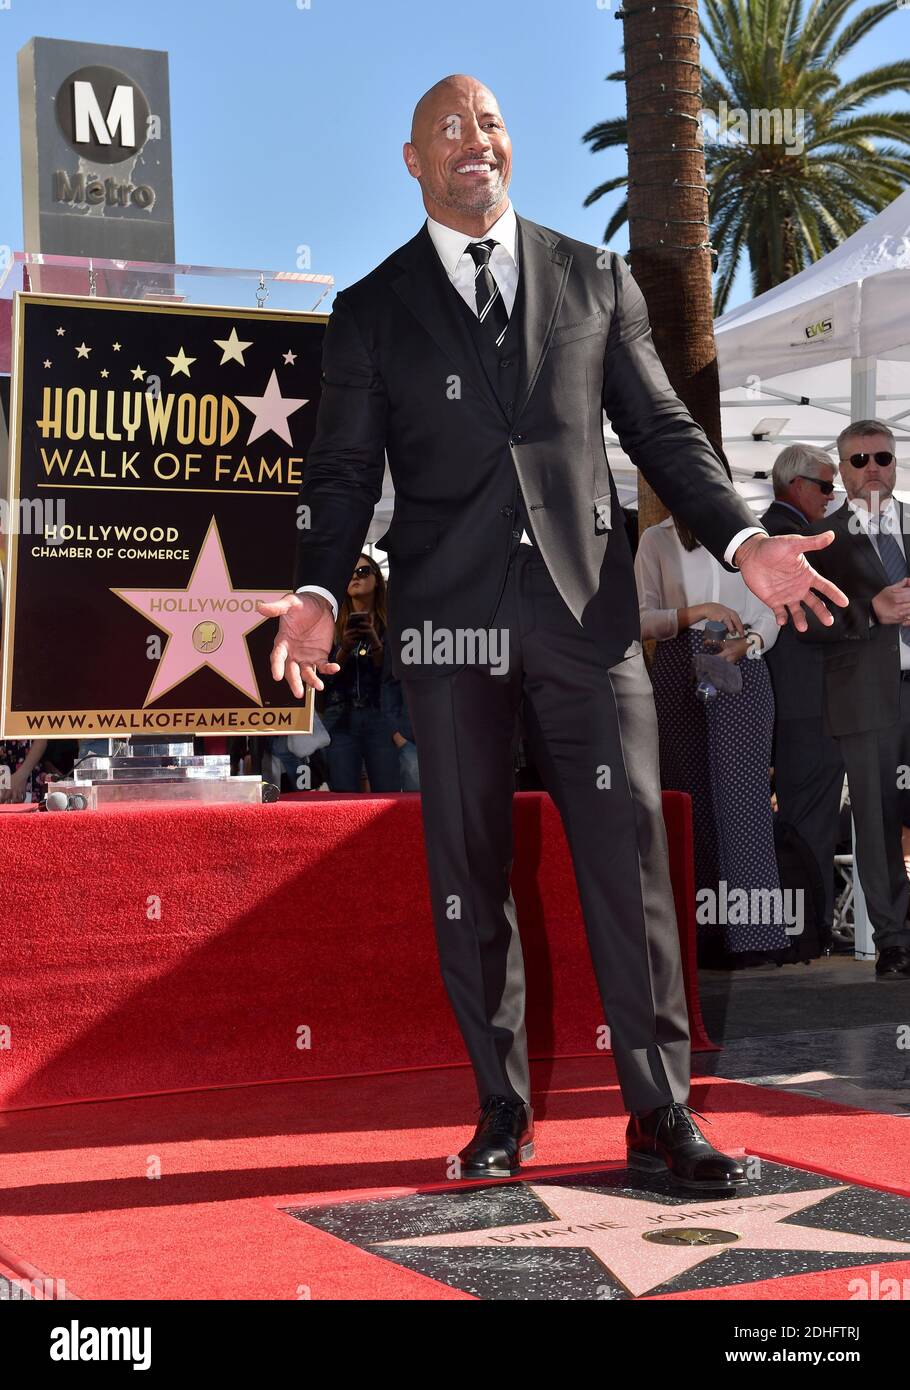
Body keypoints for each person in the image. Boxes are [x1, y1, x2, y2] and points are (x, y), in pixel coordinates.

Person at [260, 74, 846, 1190]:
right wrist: (320, 591)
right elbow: (340, 473)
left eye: (487, 122)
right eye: (446, 127)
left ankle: (661, 1112)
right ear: (411, 161)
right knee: (469, 867)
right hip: (449, 631)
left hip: (589, 623)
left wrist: (737, 541)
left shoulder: (593, 275)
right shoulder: (374, 310)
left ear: (509, 145)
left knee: (628, 862)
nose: (471, 141)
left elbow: (664, 429)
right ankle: (501, 1107)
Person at [635, 512, 787, 963]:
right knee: (686, 799)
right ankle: (696, 937)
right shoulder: (655, 540)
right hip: (678, 665)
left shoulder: (758, 537)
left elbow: (772, 611)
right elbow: (639, 619)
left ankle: (756, 938)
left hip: (741, 660)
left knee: (745, 802)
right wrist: (698, 613)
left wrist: (749, 641)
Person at [797, 420, 910, 979]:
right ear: (841, 471)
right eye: (859, 460)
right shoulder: (822, 539)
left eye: (882, 459)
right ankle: (895, 943)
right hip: (865, 698)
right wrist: (871, 612)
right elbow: (802, 624)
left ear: (895, 463)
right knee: (878, 817)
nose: (872, 469)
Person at [761, 445, 844, 951]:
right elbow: (817, 620)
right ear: (797, 486)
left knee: (795, 814)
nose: (831, 498)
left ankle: (796, 927)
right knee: (809, 816)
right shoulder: (797, 539)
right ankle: (810, 929)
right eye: (826, 486)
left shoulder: (758, 534)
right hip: (805, 700)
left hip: (780, 698)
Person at [319, 553, 401, 792]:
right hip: (339, 715)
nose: (355, 577)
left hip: (380, 713)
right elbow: (324, 677)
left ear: (377, 579)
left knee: (388, 794)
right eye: (350, 573)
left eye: (363, 572)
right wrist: (344, 647)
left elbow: (391, 674)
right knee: (343, 797)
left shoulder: (391, 622)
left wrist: (375, 642)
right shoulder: (330, 624)